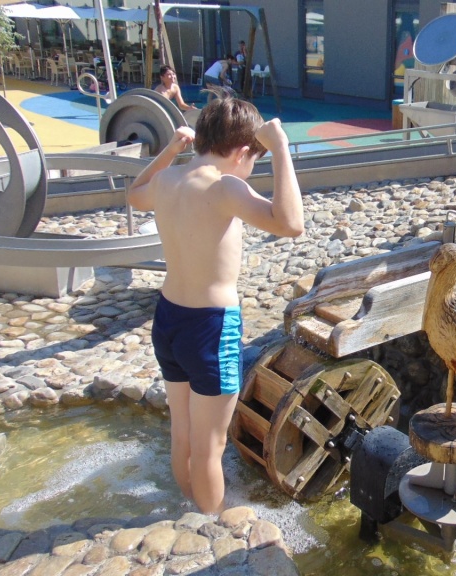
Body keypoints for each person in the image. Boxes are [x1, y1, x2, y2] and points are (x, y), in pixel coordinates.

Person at [127, 97, 305, 515]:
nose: (251, 168)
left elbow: (133, 194)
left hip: (168, 318)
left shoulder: (168, 179)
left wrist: (171, 148)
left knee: (183, 433)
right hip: (211, 329)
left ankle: (189, 507)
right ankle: (210, 527)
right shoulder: (225, 188)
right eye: (254, 160)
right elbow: (291, 223)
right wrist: (281, 148)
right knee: (210, 445)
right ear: (242, 153)